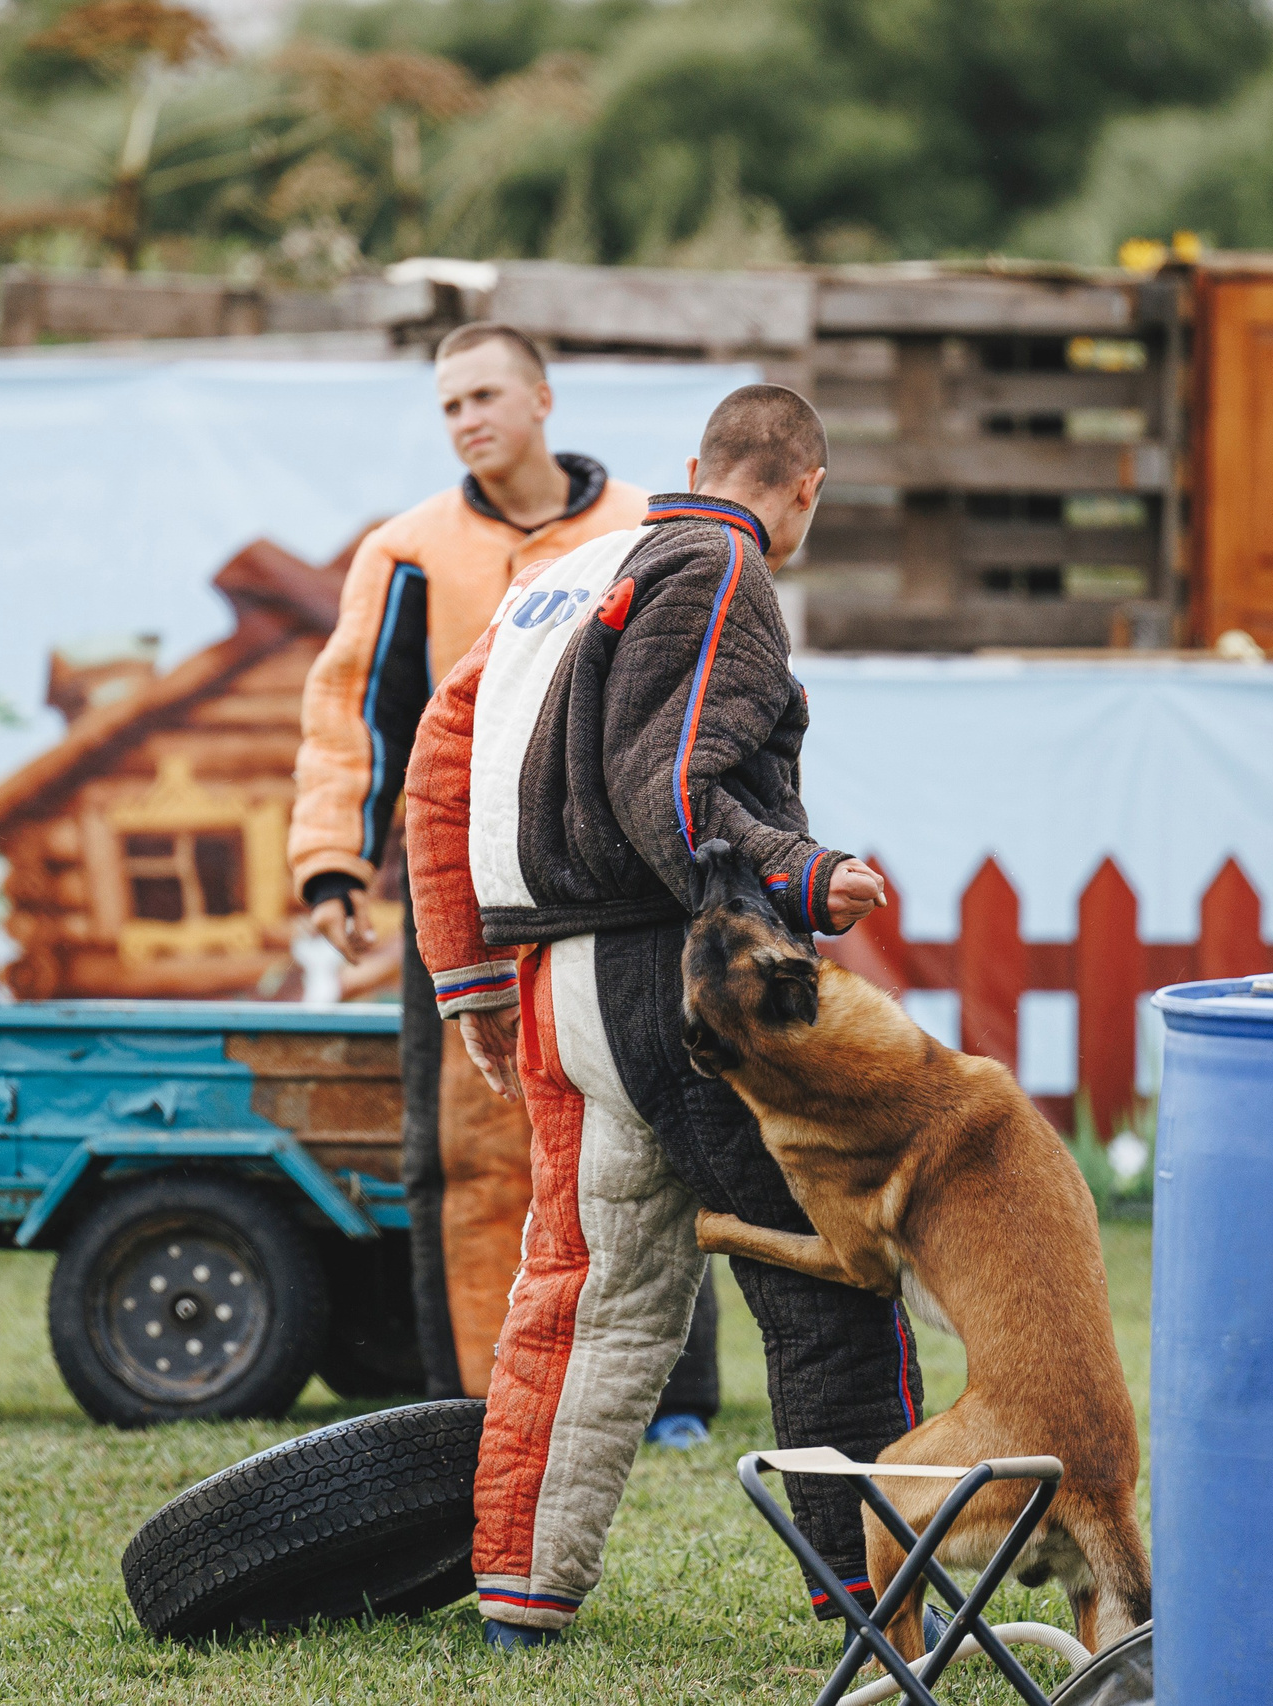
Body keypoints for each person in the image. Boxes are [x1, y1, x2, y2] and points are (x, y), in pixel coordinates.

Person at [404, 383, 917, 1649]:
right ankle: (879, 1595)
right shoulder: (724, 566)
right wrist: (798, 875)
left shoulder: (568, 573)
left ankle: (522, 1594)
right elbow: (669, 783)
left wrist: (469, 980)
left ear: (693, 461)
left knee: (584, 1297)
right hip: (689, 974)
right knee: (829, 1270)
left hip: (560, 992)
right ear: (806, 491)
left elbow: (439, 758)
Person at [287, 322, 720, 1424]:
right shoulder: (408, 549)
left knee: (654, 1129)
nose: (467, 419)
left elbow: (702, 702)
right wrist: (334, 859)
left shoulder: (644, 529)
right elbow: (359, 722)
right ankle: (483, 1392)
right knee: (468, 1147)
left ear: (541, 397)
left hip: (624, 887)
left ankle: (662, 1389)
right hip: (467, 896)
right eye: (448, 405)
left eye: (485, 394)